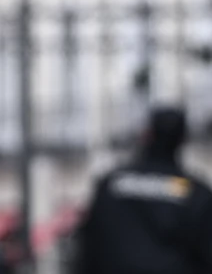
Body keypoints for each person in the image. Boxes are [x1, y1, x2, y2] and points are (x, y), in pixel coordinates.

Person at [75, 106, 212, 274]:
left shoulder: (110, 184)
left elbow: (88, 249)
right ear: (183, 140)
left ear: (147, 134)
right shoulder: (195, 193)